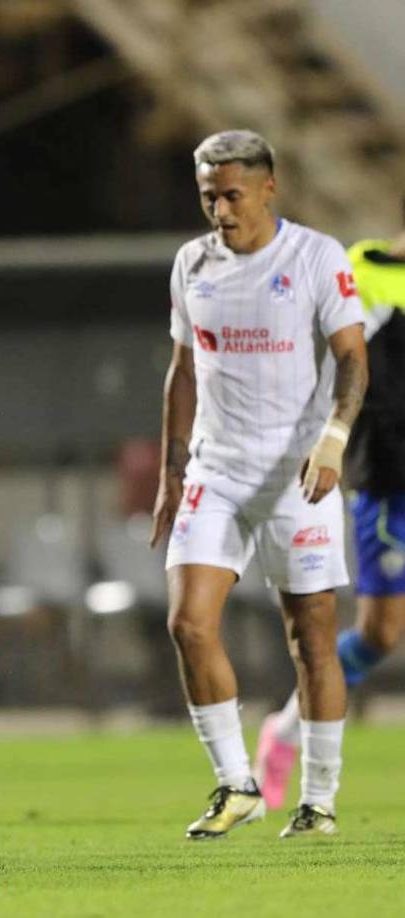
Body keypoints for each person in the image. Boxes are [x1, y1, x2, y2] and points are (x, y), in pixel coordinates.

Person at [150, 131, 368, 839]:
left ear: (268, 188)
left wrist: (332, 441)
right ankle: (236, 783)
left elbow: (352, 363)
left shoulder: (314, 258)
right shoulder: (192, 264)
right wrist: (171, 472)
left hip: (297, 475)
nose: (220, 209)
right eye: (209, 195)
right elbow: (183, 371)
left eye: (232, 194)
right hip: (216, 470)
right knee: (187, 622)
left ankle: (320, 800)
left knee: (310, 641)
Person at [256, 200, 405, 807]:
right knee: (380, 635)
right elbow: (343, 368)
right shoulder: (361, 273)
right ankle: (285, 730)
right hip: (388, 474)